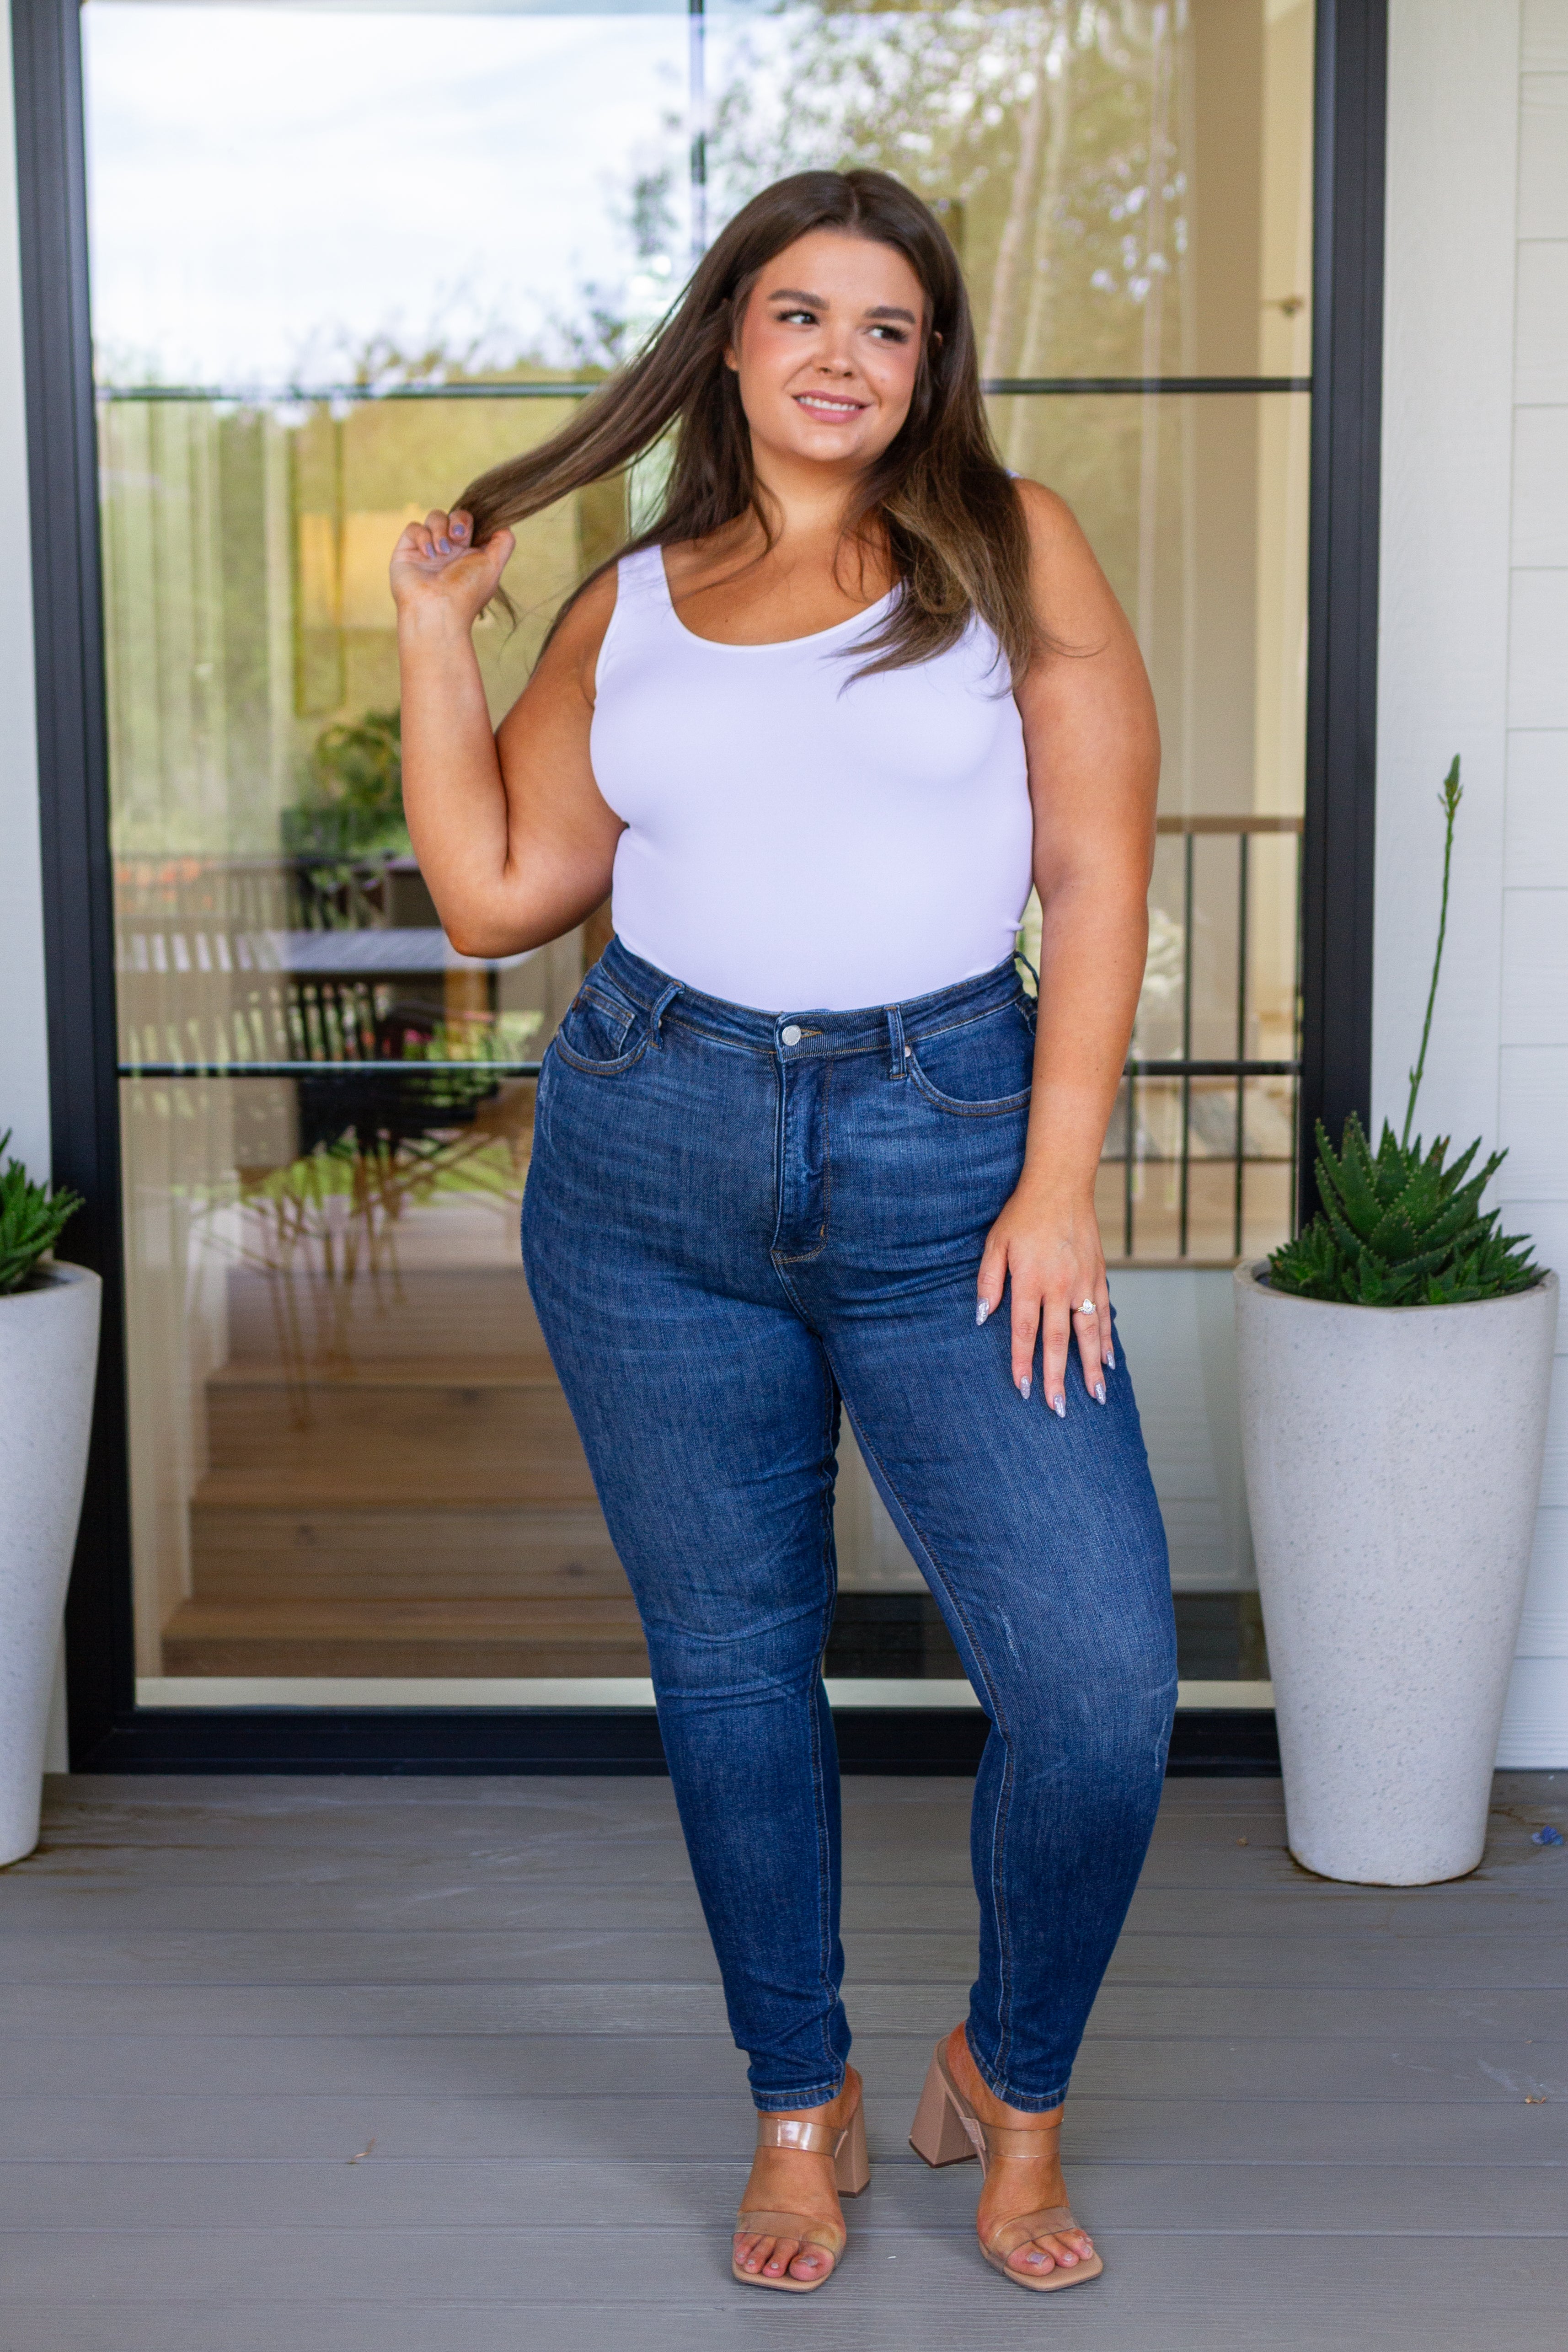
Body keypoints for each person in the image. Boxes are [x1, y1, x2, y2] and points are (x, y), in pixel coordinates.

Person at [391, 167, 1176, 2298]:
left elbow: (1098, 872)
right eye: (803, 313)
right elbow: (495, 888)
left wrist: (1058, 1180)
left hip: (956, 1161)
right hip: (652, 1159)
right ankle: (797, 2100)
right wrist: (436, 639)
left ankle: (1010, 2078)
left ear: (931, 364)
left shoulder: (1009, 549)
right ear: (730, 337)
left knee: (1102, 1679)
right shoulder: (631, 604)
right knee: (737, 1666)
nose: (844, 356)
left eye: (888, 325)